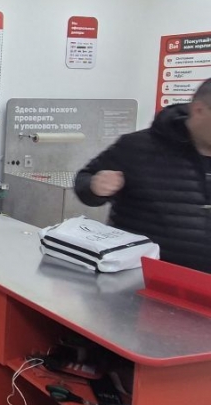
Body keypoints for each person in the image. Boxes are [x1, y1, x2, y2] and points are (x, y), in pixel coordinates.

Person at [74, 79, 211, 274]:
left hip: (202, 286)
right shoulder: (137, 147)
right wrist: (94, 186)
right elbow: (85, 179)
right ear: (199, 110)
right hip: (139, 278)